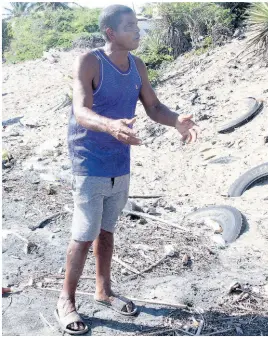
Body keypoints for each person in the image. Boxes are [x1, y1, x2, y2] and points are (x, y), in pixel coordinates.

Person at [55, 4, 199, 335]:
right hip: (88, 159)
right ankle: (66, 299)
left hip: (120, 160)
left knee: (106, 230)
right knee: (84, 232)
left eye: (138, 25)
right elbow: (80, 111)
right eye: (131, 26)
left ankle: (103, 291)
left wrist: (176, 120)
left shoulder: (137, 66)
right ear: (110, 33)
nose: (138, 31)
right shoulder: (90, 61)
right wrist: (110, 126)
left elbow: (153, 106)